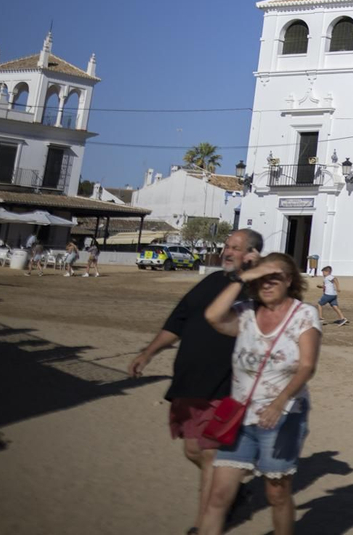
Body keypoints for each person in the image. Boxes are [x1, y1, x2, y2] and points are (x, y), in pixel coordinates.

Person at [128, 228, 263, 535]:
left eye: (236, 248)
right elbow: (178, 321)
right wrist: (148, 353)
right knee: (193, 451)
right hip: (190, 383)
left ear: (252, 254)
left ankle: (204, 526)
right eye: (226, 246)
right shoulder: (210, 282)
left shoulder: (259, 290)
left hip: (227, 385)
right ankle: (232, 491)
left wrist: (255, 271)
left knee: (211, 454)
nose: (227, 251)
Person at [198, 252, 322, 535]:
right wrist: (241, 277)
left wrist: (280, 403)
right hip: (239, 416)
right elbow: (212, 315)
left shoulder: (304, 314)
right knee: (218, 495)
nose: (267, 284)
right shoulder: (244, 312)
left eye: (275, 277)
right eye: (261, 279)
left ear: (289, 280)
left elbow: (307, 366)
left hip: (283, 417)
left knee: (276, 494)